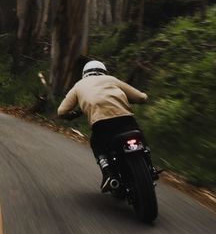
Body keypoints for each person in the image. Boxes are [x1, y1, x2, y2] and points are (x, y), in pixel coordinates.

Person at [57, 60, 156, 192]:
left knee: (96, 142)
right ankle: (150, 166)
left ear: (84, 74)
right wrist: (136, 98)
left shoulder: (78, 85)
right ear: (104, 72)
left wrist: (72, 114)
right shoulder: (112, 80)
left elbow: (61, 111)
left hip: (101, 124)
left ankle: (109, 174)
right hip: (126, 120)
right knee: (138, 134)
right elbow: (142, 98)